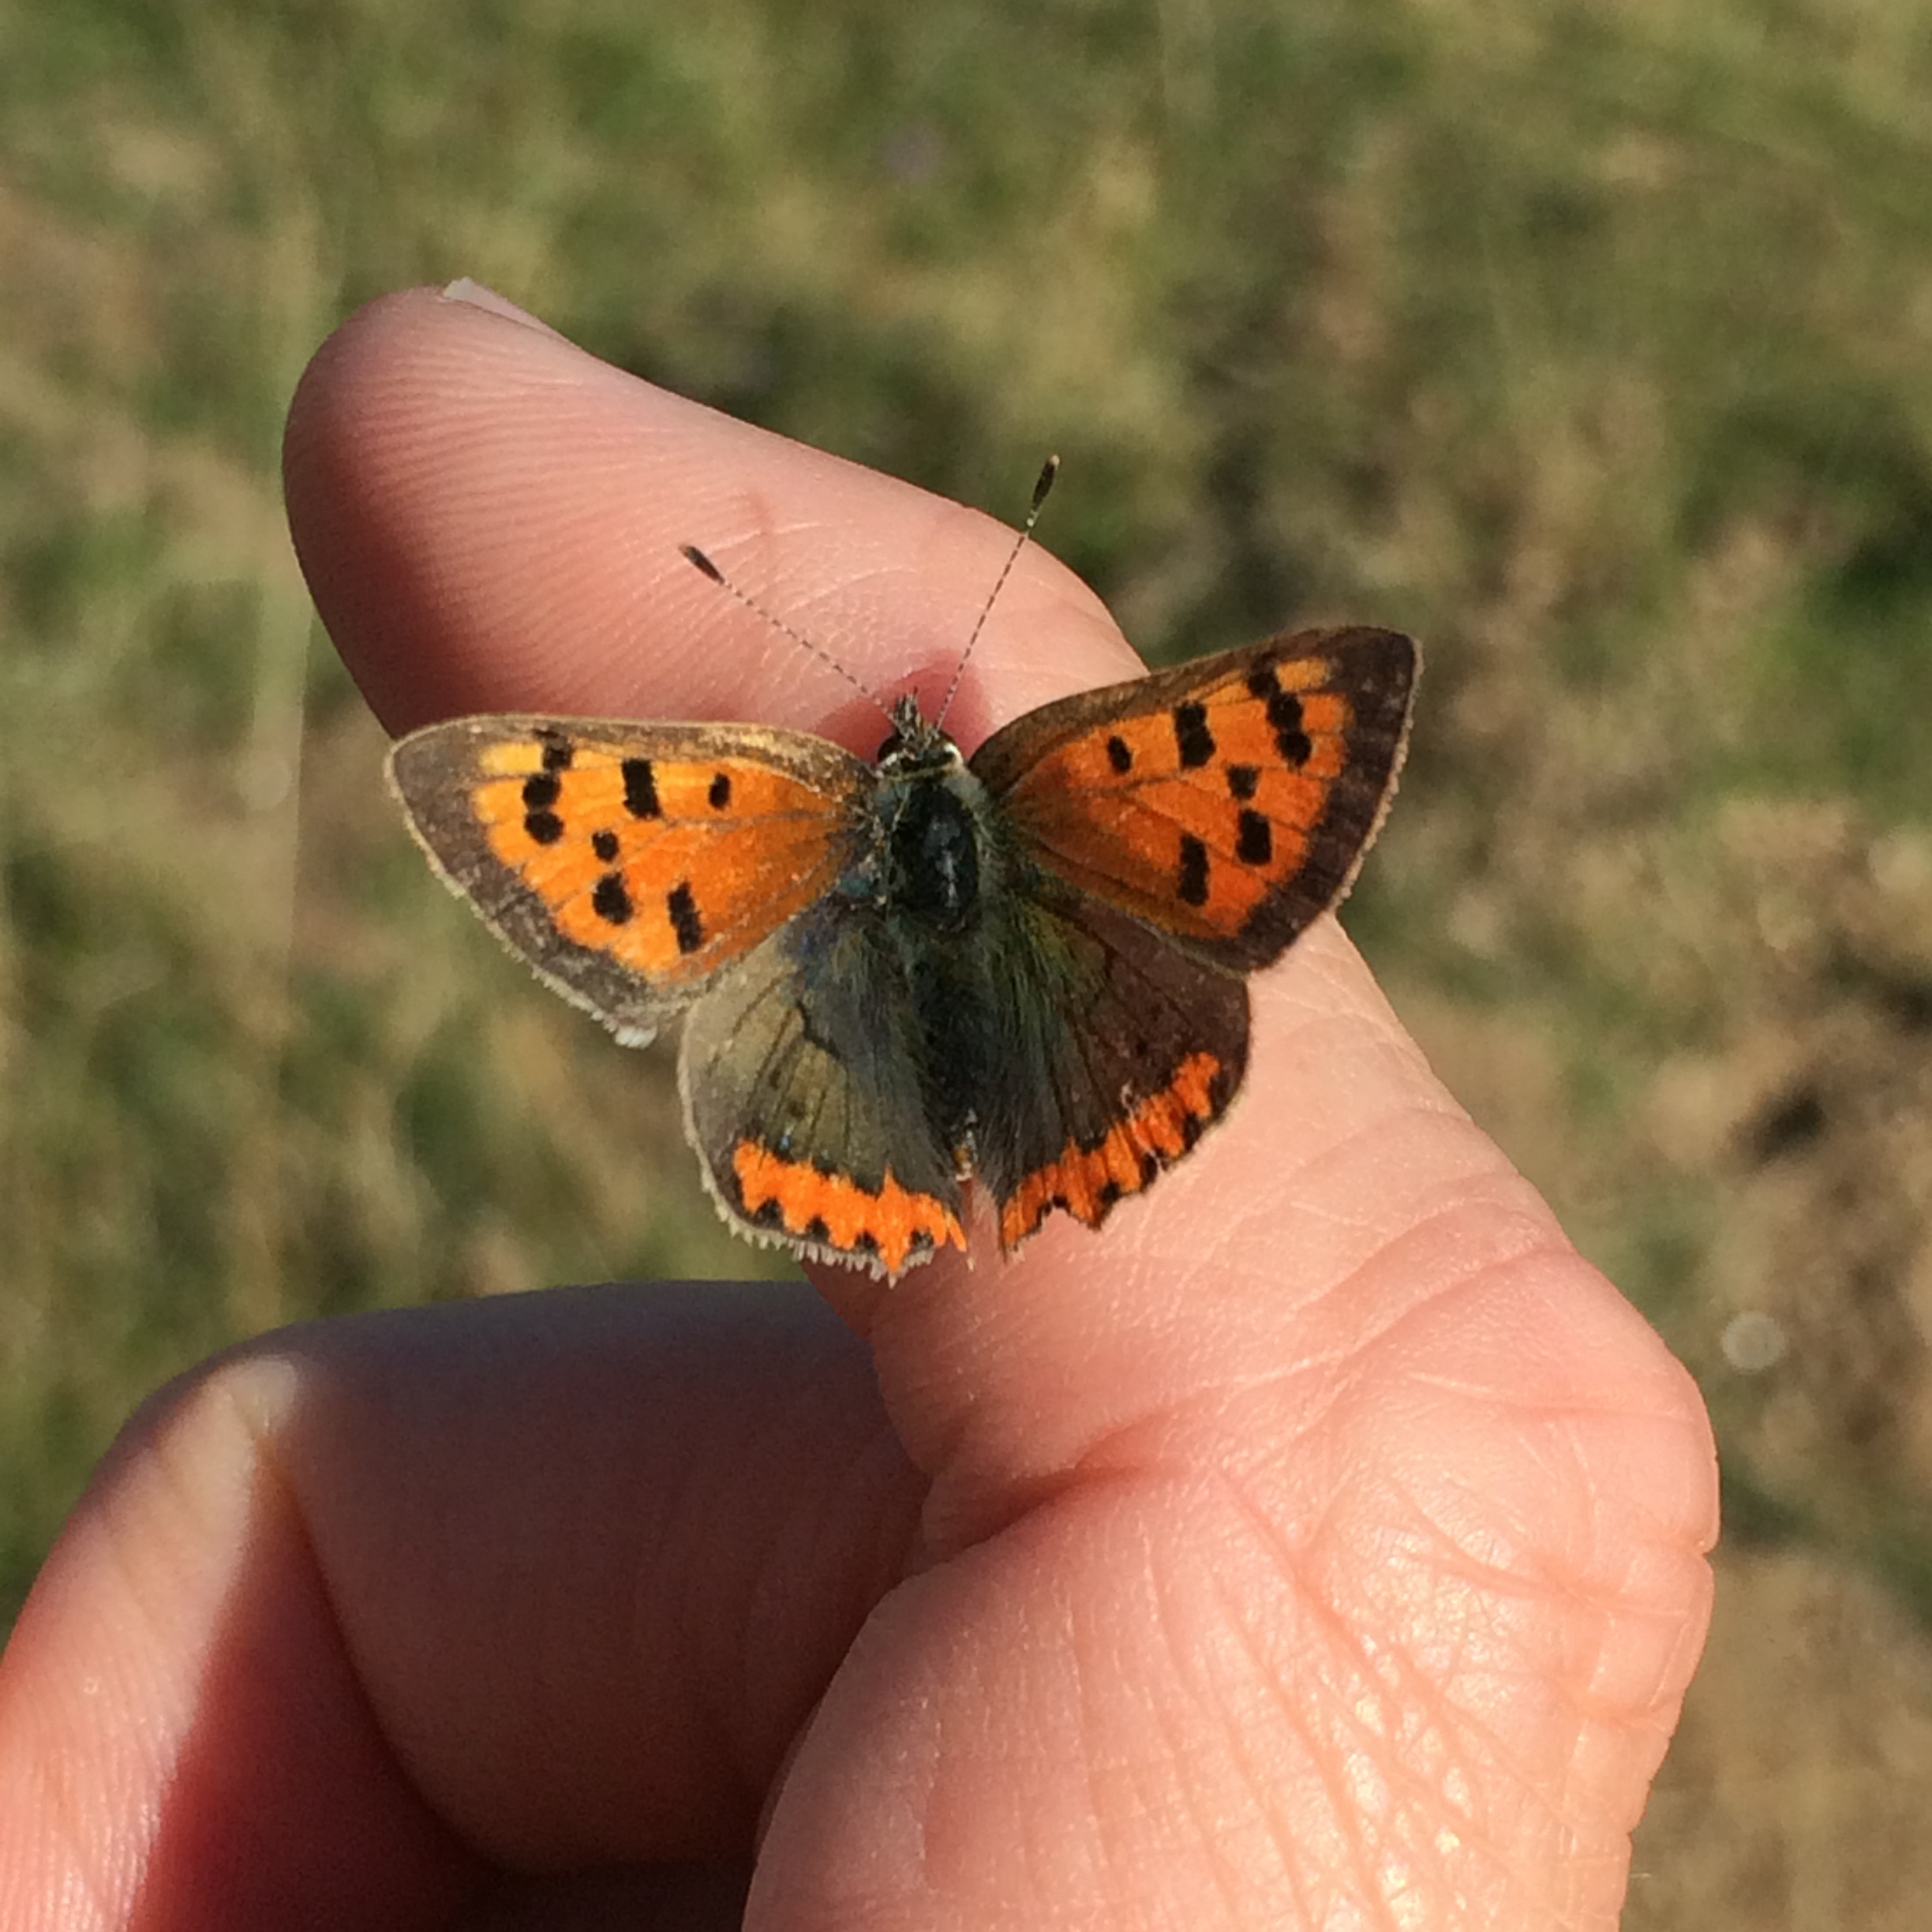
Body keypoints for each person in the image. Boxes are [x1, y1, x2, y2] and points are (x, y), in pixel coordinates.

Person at [0, 283, 1717, 1930]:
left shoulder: (761, 805)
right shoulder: (1070, 774)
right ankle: (1026, 1161)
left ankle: (939, 1177)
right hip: (1075, 1002)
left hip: (850, 1011)